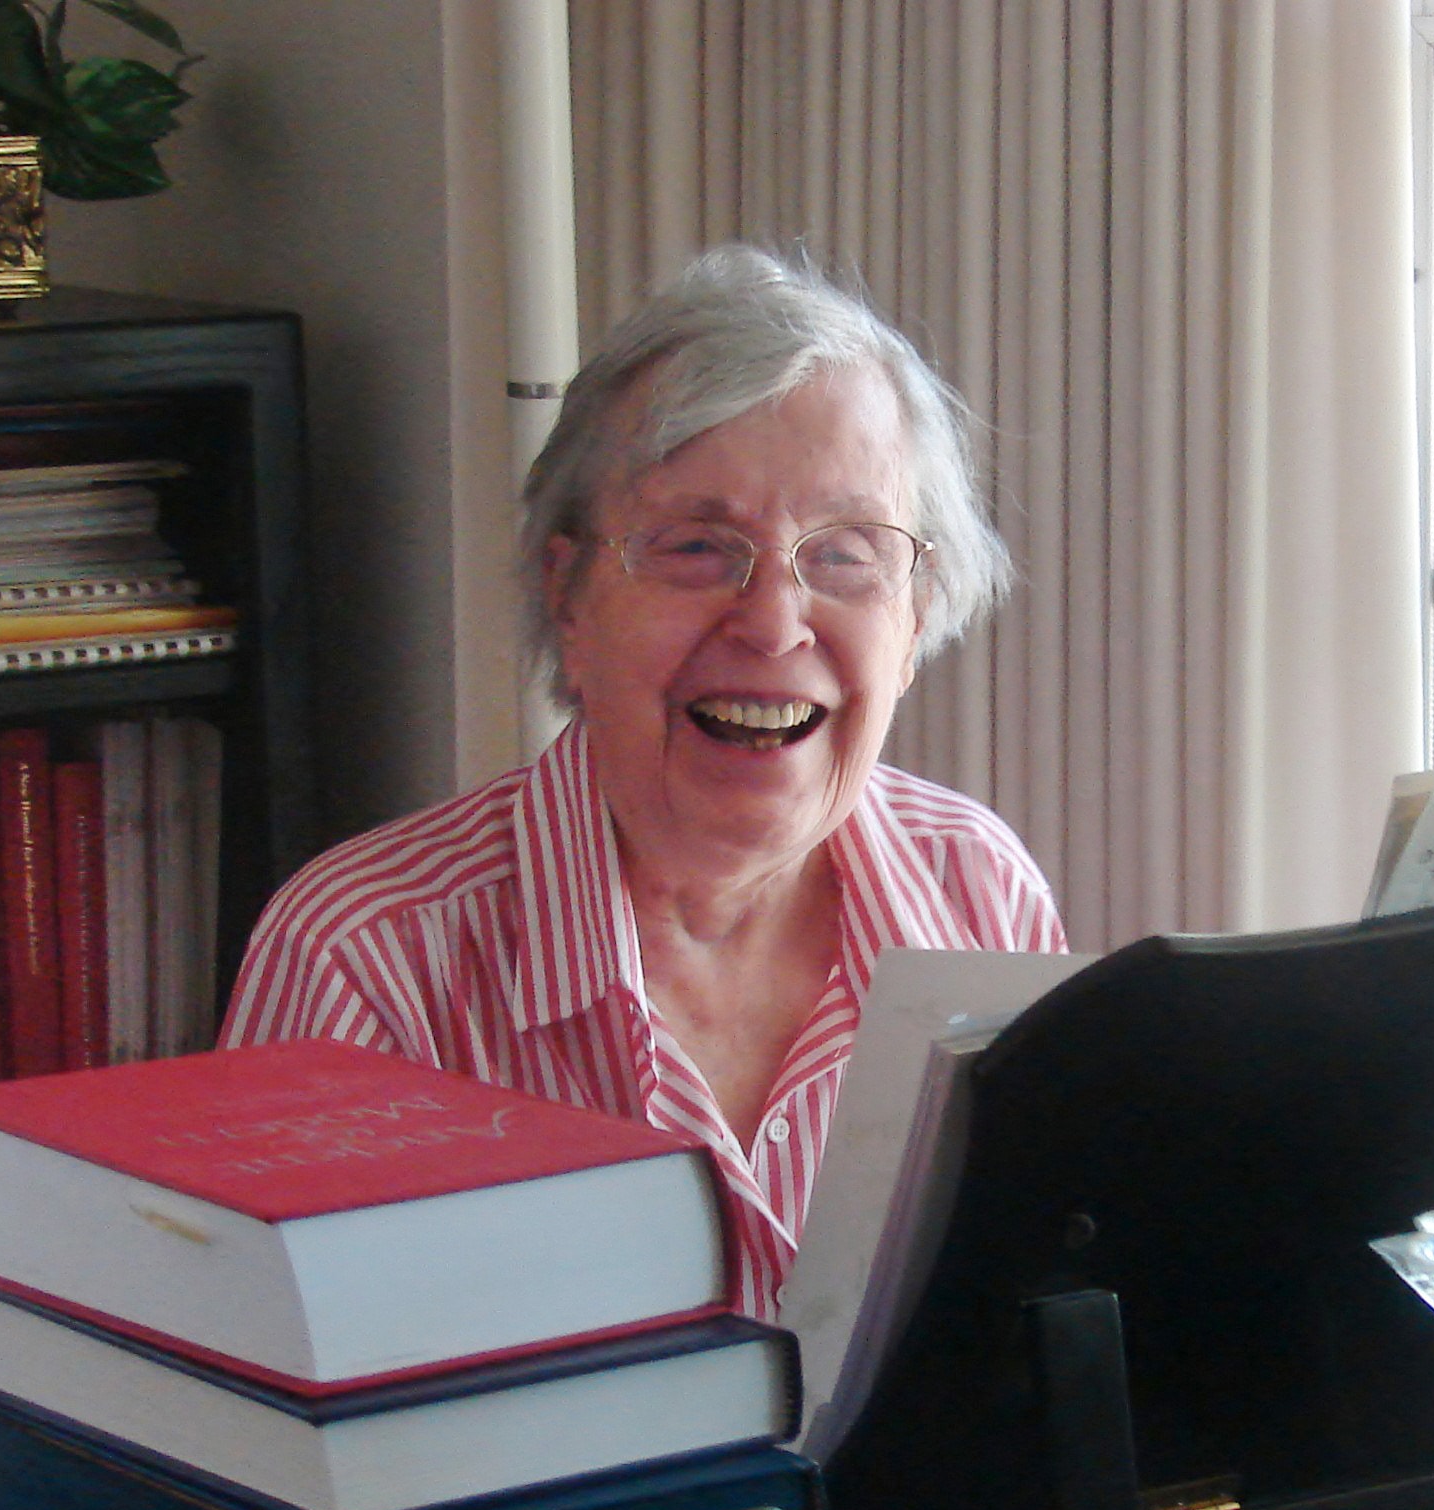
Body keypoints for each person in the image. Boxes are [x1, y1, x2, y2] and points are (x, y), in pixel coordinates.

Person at [222, 247, 1068, 1317]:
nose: (771, 622)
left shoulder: (978, 895)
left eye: (846, 554)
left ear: (914, 617)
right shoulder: (368, 962)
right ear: (568, 596)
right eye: (697, 548)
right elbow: (275, 1426)